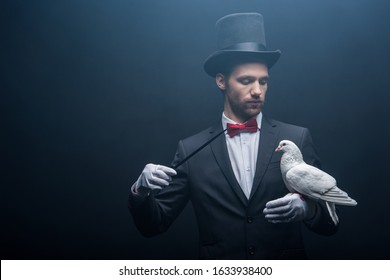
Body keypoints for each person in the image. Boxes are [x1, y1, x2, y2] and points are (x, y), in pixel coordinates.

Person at [128, 13, 337, 259]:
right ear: (221, 81)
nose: (257, 90)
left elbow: (330, 224)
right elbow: (153, 225)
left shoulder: (296, 138)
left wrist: (309, 210)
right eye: (246, 81)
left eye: (263, 81)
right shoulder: (191, 149)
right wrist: (139, 191)